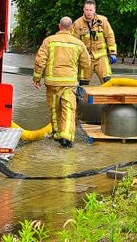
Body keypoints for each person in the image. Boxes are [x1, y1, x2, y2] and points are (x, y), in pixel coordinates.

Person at [32, 17, 92, 148]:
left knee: (54, 109)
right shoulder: (78, 43)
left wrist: (37, 77)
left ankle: (57, 133)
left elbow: (40, 60)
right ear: (71, 28)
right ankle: (66, 137)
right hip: (69, 83)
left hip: (52, 83)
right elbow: (86, 63)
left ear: (59, 26)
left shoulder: (49, 41)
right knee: (69, 109)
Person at [72, 0, 117, 85]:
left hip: (101, 56)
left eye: (91, 10)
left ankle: (107, 98)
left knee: (107, 80)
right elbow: (74, 42)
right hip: (85, 57)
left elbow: (110, 36)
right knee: (83, 82)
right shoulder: (78, 23)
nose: (88, 12)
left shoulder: (102, 20)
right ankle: (82, 98)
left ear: (95, 10)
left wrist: (112, 52)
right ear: (83, 9)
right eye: (86, 10)